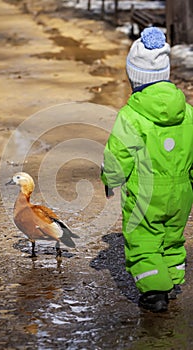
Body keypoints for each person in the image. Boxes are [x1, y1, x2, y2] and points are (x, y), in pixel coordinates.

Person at [101, 27, 193, 312]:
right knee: (173, 236)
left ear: (134, 78)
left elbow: (118, 154)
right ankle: (173, 278)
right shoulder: (188, 112)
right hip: (181, 194)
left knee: (142, 238)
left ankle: (155, 292)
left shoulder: (131, 116)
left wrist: (111, 178)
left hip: (146, 194)